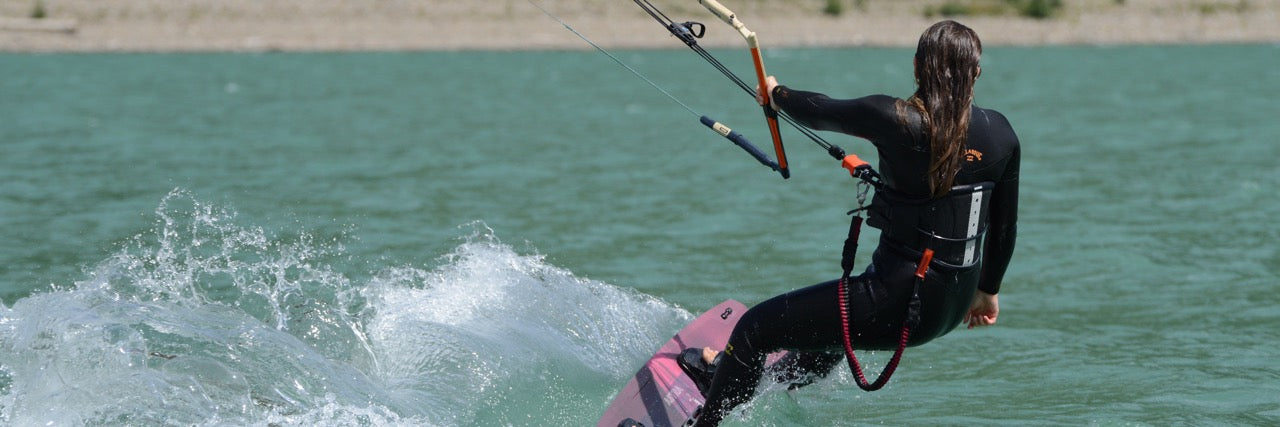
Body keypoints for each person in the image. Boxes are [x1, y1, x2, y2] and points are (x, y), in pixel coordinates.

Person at [685, 20, 1020, 426]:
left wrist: (775, 93)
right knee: (830, 335)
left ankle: (706, 420)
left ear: (917, 67)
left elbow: (820, 110)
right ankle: (736, 378)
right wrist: (989, 291)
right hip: (949, 309)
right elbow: (1004, 228)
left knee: (753, 328)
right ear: (976, 73)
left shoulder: (895, 118)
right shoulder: (1001, 132)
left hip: (896, 301)